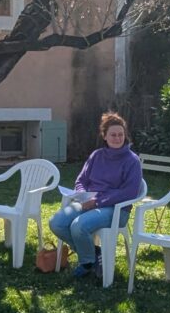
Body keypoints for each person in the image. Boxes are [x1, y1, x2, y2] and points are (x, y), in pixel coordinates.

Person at [49, 112, 143, 278]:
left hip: (117, 210)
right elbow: (81, 180)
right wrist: (82, 194)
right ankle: (93, 254)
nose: (117, 138)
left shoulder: (132, 160)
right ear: (104, 136)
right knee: (56, 223)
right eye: (113, 135)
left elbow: (129, 192)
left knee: (78, 226)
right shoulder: (96, 155)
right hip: (89, 202)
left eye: (120, 134)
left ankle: (86, 263)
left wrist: (97, 201)